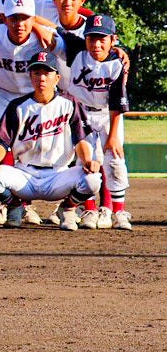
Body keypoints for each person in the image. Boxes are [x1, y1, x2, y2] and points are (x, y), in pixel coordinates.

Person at [0, 0, 62, 224]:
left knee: (32, 150)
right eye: (14, 18)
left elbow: (77, 43)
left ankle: (25, 206)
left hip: (33, 96)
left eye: (25, 18)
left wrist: (116, 51)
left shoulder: (46, 38)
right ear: (4, 18)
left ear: (33, 18)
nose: (19, 24)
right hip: (1, 92)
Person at [0, 51, 100, 231]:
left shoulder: (70, 103)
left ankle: (68, 208)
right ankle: (15, 206)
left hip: (59, 174)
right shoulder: (17, 105)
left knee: (93, 180)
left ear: (57, 78)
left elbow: (80, 139)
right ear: (30, 76)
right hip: (24, 175)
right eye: (37, 73)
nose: (41, 78)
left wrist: (88, 160)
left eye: (47, 73)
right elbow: (3, 142)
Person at [61, 14, 133, 230]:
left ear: (113, 39)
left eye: (102, 38)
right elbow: (49, 30)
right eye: (92, 38)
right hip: (81, 113)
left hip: (108, 115)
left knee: (115, 160)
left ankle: (118, 211)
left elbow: (117, 103)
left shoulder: (117, 63)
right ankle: (90, 209)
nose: (96, 44)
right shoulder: (76, 50)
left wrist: (113, 137)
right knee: (85, 161)